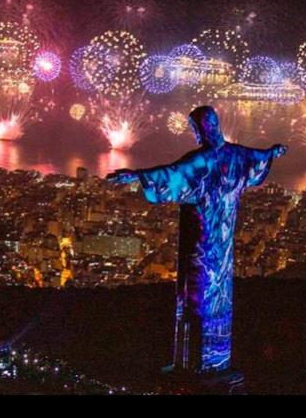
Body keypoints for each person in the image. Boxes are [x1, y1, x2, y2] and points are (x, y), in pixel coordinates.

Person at [107, 105, 287, 374]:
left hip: (201, 239)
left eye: (194, 128)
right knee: (219, 294)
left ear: (203, 127)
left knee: (196, 293)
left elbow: (171, 175)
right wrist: (273, 152)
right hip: (224, 240)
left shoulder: (200, 161)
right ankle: (217, 359)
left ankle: (195, 363)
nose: (194, 134)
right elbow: (257, 159)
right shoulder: (237, 156)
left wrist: (136, 175)